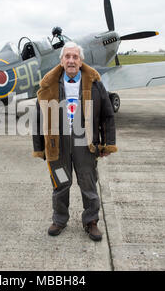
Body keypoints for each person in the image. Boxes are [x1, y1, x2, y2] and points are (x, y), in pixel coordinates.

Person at [32, 41, 117, 241]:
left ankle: (91, 221)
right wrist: (39, 147)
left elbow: (107, 116)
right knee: (60, 183)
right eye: (67, 57)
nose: (71, 60)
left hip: (85, 143)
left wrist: (107, 144)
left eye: (75, 57)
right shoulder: (48, 85)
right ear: (61, 61)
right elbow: (38, 118)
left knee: (88, 184)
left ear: (80, 62)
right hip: (57, 146)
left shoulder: (95, 84)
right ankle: (59, 220)